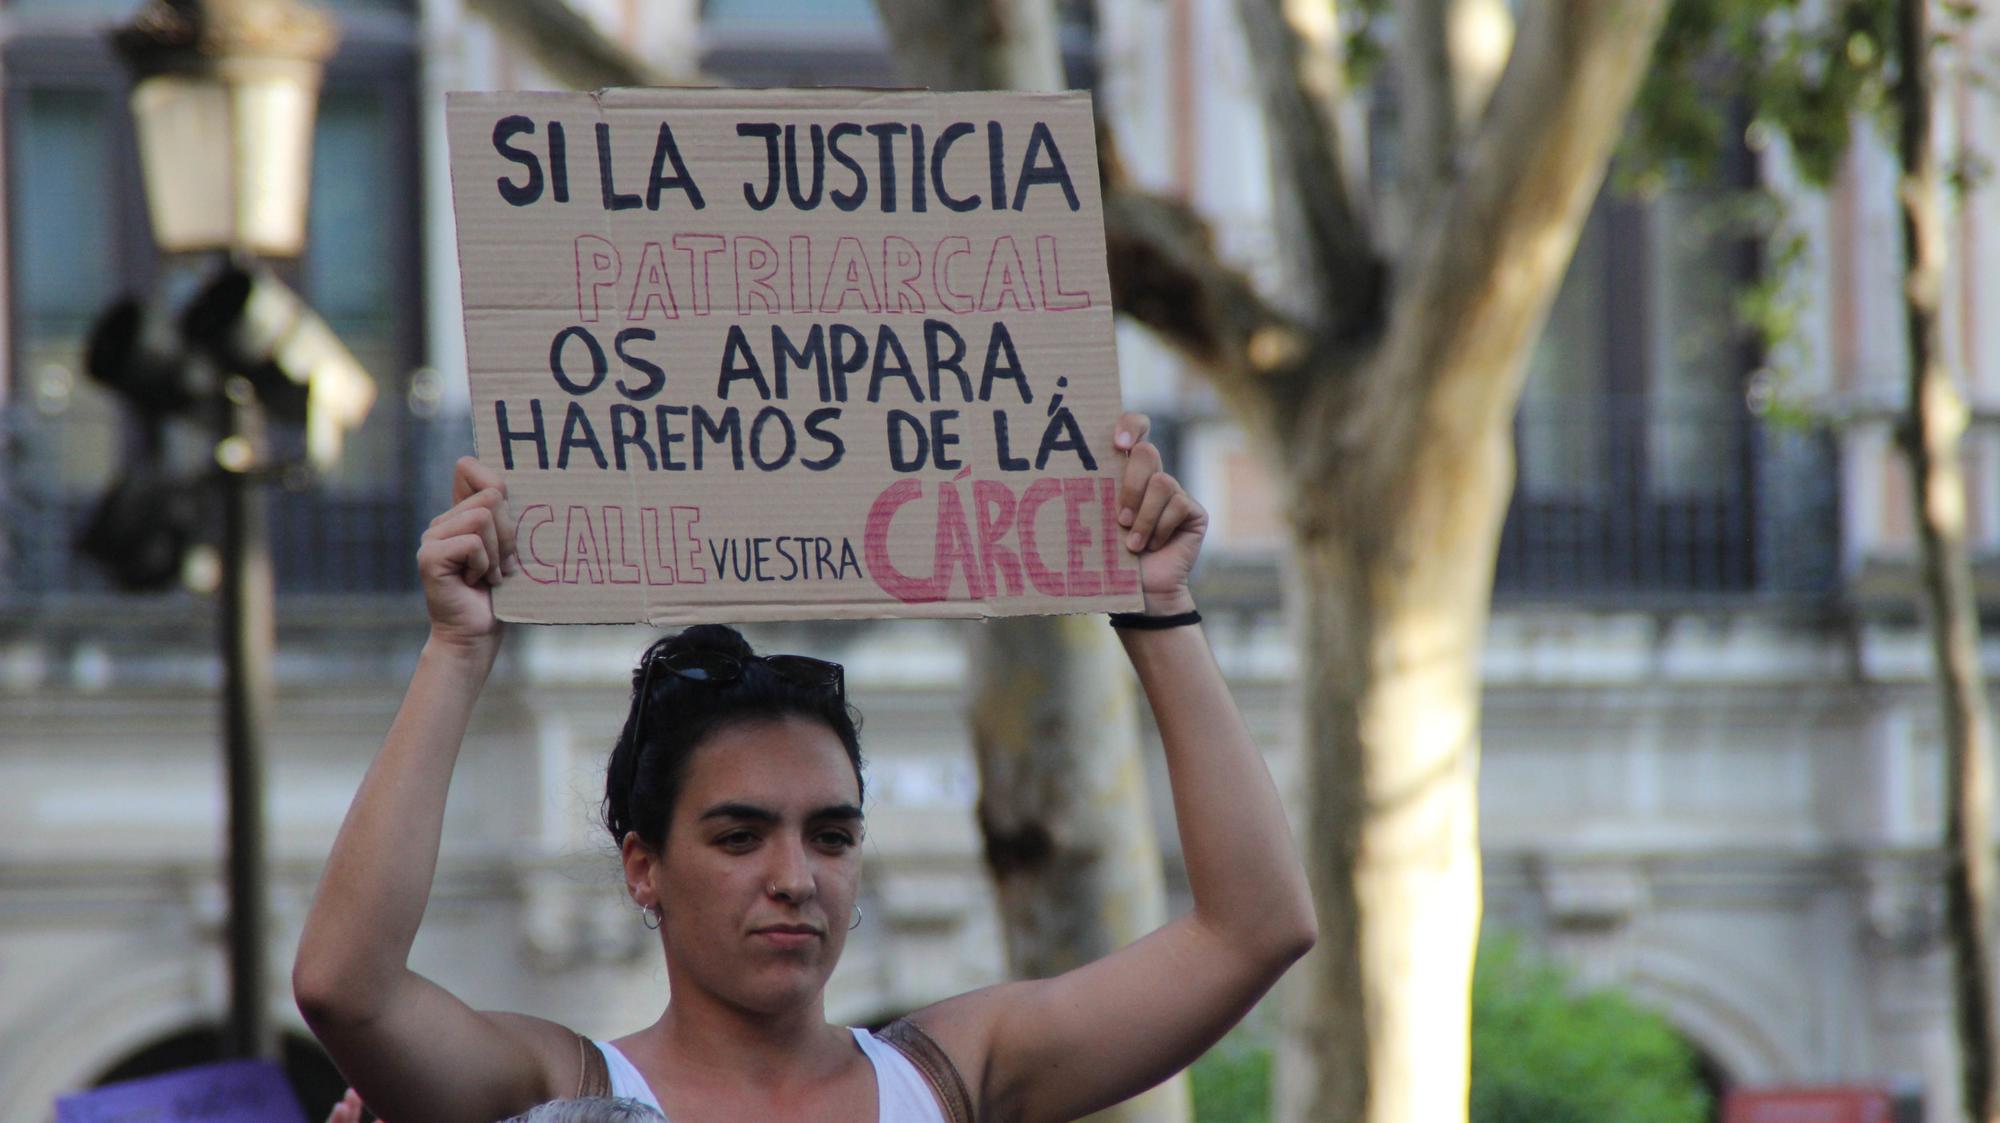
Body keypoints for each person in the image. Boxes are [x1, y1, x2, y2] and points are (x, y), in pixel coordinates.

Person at [292, 413, 1316, 1123]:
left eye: (831, 834)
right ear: (643, 865)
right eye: (739, 835)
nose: (795, 876)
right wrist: (456, 651)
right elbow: (344, 987)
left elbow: (1256, 927)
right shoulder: (559, 1091)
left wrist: (1159, 611)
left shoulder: (952, 1077)